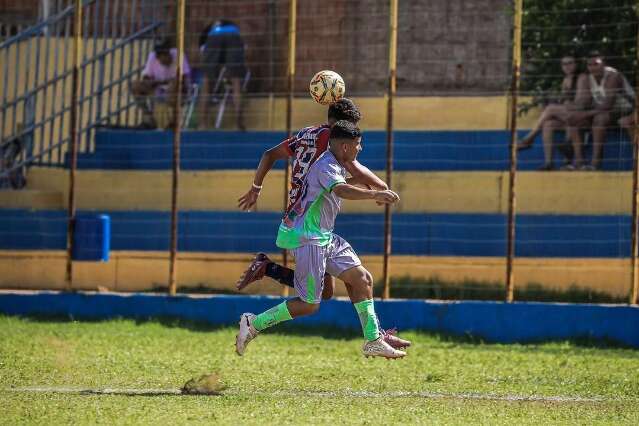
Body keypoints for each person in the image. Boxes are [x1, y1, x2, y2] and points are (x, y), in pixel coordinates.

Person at [236, 98, 410, 350]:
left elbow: (270, 154)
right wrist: (378, 189)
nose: (358, 144)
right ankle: (254, 321)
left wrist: (256, 187)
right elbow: (352, 174)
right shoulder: (331, 146)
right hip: (306, 226)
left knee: (346, 284)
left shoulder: (307, 134)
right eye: (354, 135)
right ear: (342, 132)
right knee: (311, 302)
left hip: (310, 219)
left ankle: (374, 337)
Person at [565, 51, 635, 170]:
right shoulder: (587, 78)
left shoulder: (613, 76)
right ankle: (578, 162)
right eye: (589, 65)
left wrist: (584, 114)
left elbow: (608, 104)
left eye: (596, 64)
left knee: (599, 119)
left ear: (603, 63)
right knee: (573, 120)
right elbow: (584, 103)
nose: (593, 67)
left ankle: (595, 163)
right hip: (603, 111)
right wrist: (573, 107)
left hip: (625, 110)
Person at [517, 54, 580, 170]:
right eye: (564, 64)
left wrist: (563, 104)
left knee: (551, 108)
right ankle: (549, 163)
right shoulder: (565, 80)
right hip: (568, 115)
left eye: (570, 63)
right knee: (548, 124)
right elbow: (564, 100)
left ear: (575, 64)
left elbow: (582, 102)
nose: (567, 66)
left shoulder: (581, 78)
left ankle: (529, 138)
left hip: (580, 115)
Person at [130, 39, 192, 129]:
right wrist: (149, 82)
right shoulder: (153, 57)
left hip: (178, 91)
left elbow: (183, 77)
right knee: (135, 86)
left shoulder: (178, 55)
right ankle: (149, 119)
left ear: (168, 53)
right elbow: (146, 76)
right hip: (158, 89)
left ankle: (174, 122)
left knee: (174, 84)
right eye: (159, 57)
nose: (161, 60)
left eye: (164, 56)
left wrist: (163, 82)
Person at [200, 20, 246, 130]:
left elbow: (202, 52)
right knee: (236, 83)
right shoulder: (231, 26)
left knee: (206, 82)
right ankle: (238, 124)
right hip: (234, 35)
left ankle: (202, 124)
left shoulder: (207, 35)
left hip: (214, 36)